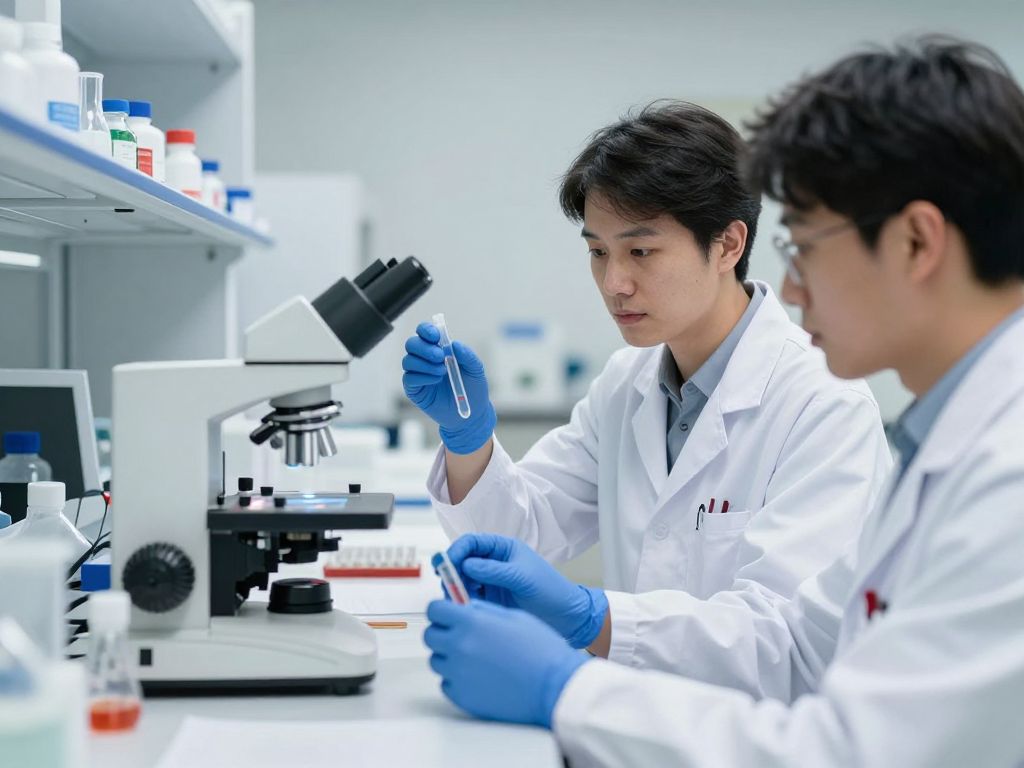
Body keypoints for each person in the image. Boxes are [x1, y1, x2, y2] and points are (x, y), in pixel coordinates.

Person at [423, 37, 1024, 766]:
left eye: (806, 246)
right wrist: (470, 445)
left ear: (916, 241)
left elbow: (849, 742)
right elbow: (805, 645)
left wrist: (570, 680)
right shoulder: (948, 440)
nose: (794, 286)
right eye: (598, 252)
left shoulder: (989, 466)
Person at [402, 102, 891, 635]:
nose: (614, 283)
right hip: (635, 707)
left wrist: (594, 621)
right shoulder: (625, 383)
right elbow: (517, 530)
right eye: (597, 252)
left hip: (756, 716)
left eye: (640, 251)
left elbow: (790, 634)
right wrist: (467, 437)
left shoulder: (823, 404)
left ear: (728, 244)